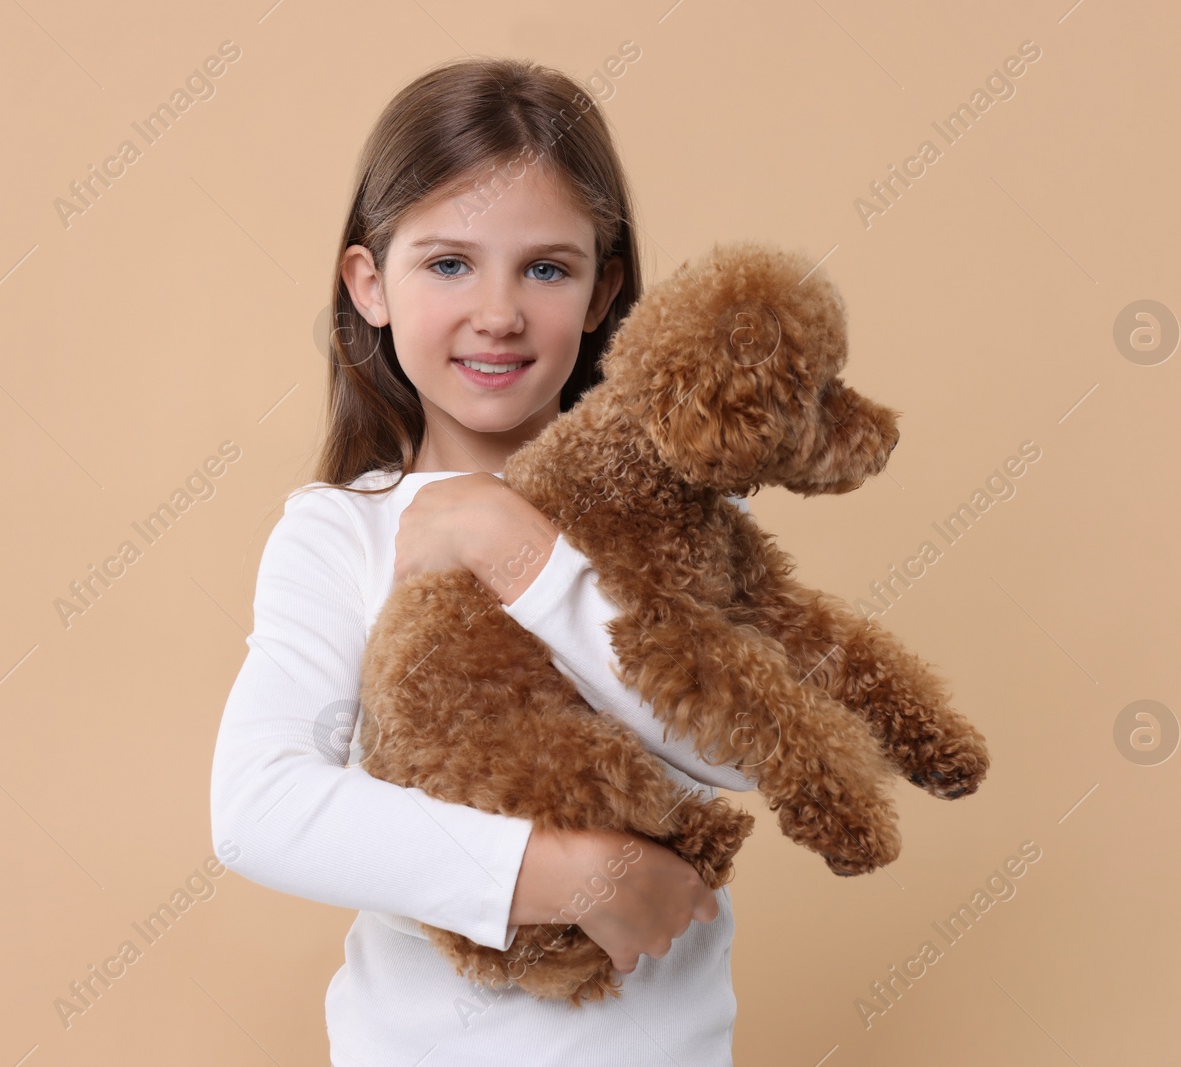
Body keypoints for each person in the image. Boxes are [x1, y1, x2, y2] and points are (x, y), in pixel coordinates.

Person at [208, 55, 757, 1066]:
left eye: (546, 267)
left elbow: (738, 744)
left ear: (604, 291)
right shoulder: (341, 534)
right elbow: (259, 805)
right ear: (369, 284)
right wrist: (558, 873)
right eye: (449, 263)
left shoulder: (671, 512)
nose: (498, 311)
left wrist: (524, 555)